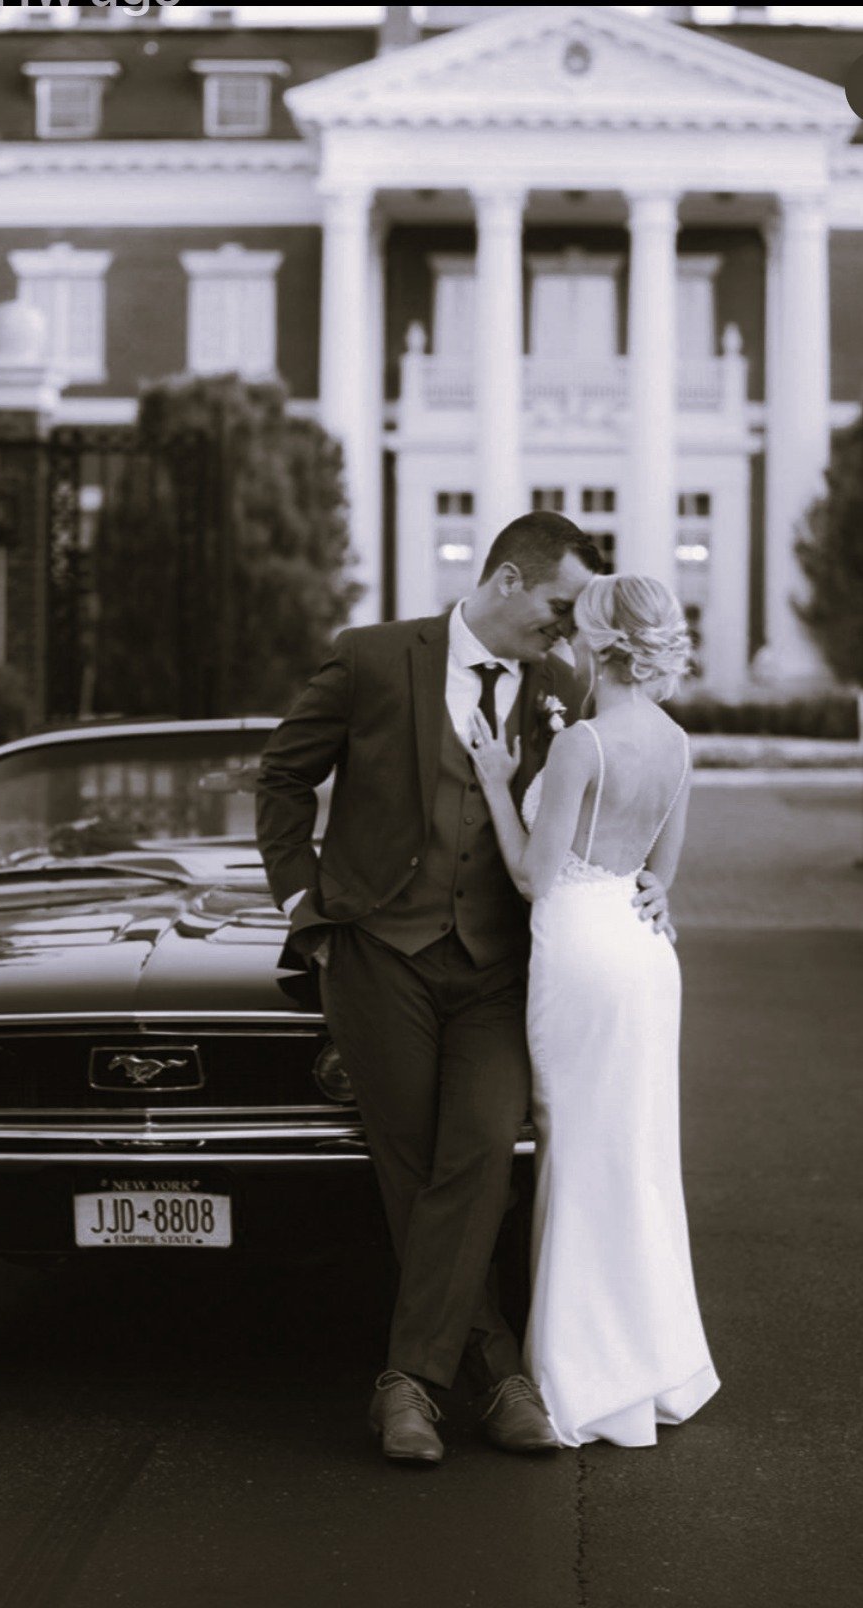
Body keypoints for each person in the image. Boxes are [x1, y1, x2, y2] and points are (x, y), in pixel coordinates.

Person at [255, 512, 673, 1464]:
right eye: (560, 607)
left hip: (497, 964)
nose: (568, 631)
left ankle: (409, 1381)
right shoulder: (370, 659)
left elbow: (614, 794)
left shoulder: (562, 687)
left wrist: (650, 875)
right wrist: (300, 903)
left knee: (481, 1146)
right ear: (508, 580)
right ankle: (496, 1375)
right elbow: (282, 780)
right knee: (409, 1157)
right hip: (376, 953)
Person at [467, 572, 720, 1447]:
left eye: (576, 622)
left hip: (577, 945)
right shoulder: (678, 742)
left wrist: (500, 782)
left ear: (598, 644)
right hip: (645, 953)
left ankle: (587, 1374)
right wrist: (650, 897)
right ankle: (657, 1362)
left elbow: (535, 878)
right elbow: (661, 874)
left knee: (577, 1148)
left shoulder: (583, 744)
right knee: (641, 1153)